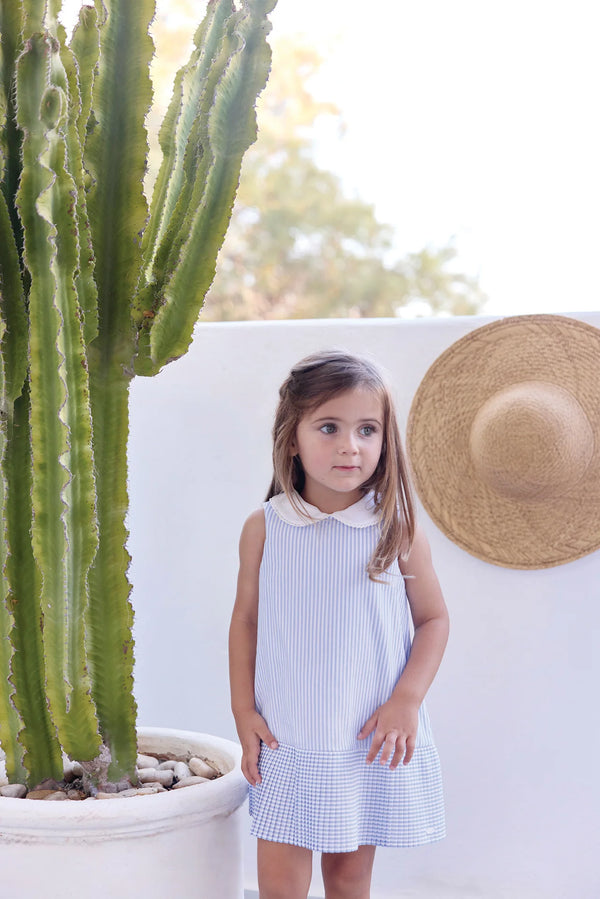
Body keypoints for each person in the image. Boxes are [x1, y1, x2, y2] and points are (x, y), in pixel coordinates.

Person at [229, 350, 449, 899]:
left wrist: (407, 701)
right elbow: (246, 621)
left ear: (383, 438)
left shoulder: (395, 529)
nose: (350, 445)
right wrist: (243, 710)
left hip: (362, 736)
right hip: (286, 737)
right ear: (292, 437)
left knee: (349, 878)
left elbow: (434, 620)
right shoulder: (266, 527)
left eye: (366, 429)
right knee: (278, 881)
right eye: (329, 427)